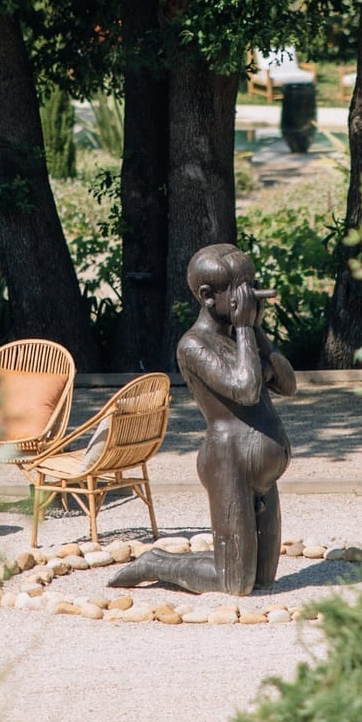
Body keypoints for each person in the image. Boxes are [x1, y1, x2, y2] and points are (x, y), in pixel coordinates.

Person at [110, 243, 295, 595]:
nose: (250, 296)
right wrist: (244, 330)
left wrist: (254, 330)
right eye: (240, 291)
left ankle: (219, 557)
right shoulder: (193, 346)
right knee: (236, 583)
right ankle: (158, 562)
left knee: (264, 578)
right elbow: (246, 388)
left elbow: (289, 384)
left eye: (251, 286)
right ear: (209, 296)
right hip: (229, 461)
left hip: (263, 472)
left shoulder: (244, 340)